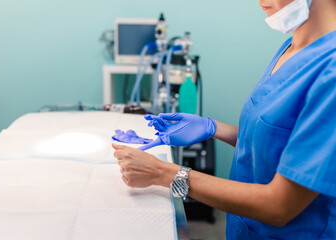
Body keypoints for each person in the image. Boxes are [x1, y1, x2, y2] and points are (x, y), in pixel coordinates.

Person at [113, 0, 336, 238]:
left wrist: (165, 173)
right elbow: (278, 142)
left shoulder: (330, 73)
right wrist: (212, 127)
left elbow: (281, 206)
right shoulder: (292, 48)